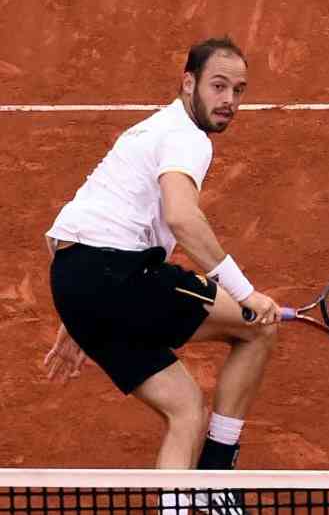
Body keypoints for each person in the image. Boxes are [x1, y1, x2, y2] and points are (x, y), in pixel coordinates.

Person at [43, 37, 279, 509]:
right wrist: (246, 294)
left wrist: (77, 315)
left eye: (238, 90)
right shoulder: (185, 138)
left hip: (74, 279)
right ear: (187, 83)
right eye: (218, 86)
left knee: (186, 410)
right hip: (116, 273)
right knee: (259, 331)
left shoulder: (147, 131)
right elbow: (182, 218)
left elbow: (83, 223)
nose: (229, 101)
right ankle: (215, 481)